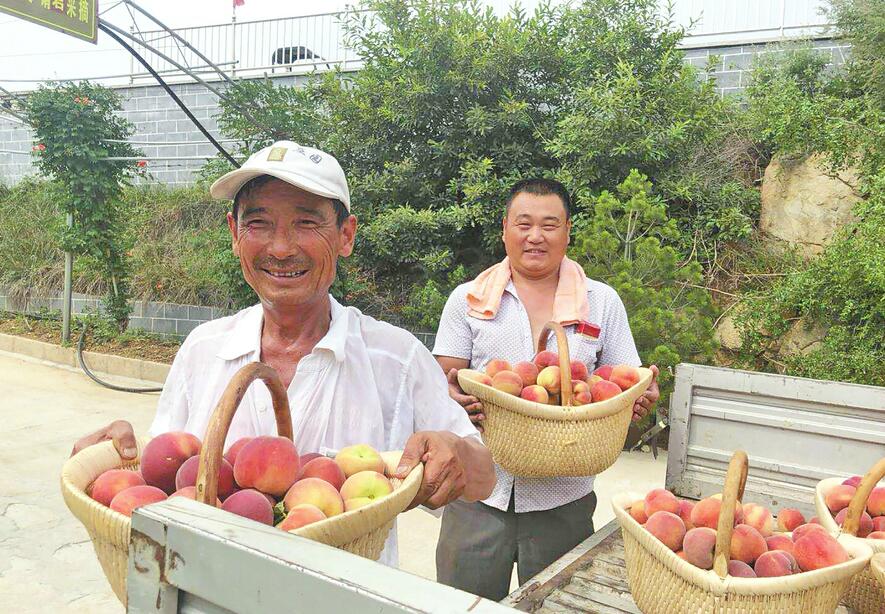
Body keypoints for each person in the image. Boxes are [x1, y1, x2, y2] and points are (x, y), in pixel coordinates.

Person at [72, 141, 495, 566]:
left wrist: (457, 455)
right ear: (235, 235)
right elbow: (168, 475)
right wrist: (118, 460)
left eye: (306, 223)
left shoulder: (394, 358)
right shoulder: (204, 349)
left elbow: (484, 476)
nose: (280, 248)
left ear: (345, 235)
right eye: (258, 223)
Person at [433, 178, 660, 599]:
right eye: (524, 223)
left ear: (568, 231)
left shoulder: (602, 301)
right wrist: (455, 398)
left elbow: (625, 379)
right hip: (478, 493)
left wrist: (638, 397)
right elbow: (442, 382)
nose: (535, 236)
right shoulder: (466, 300)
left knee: (559, 606)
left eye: (549, 225)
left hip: (564, 498)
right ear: (505, 229)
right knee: (459, 605)